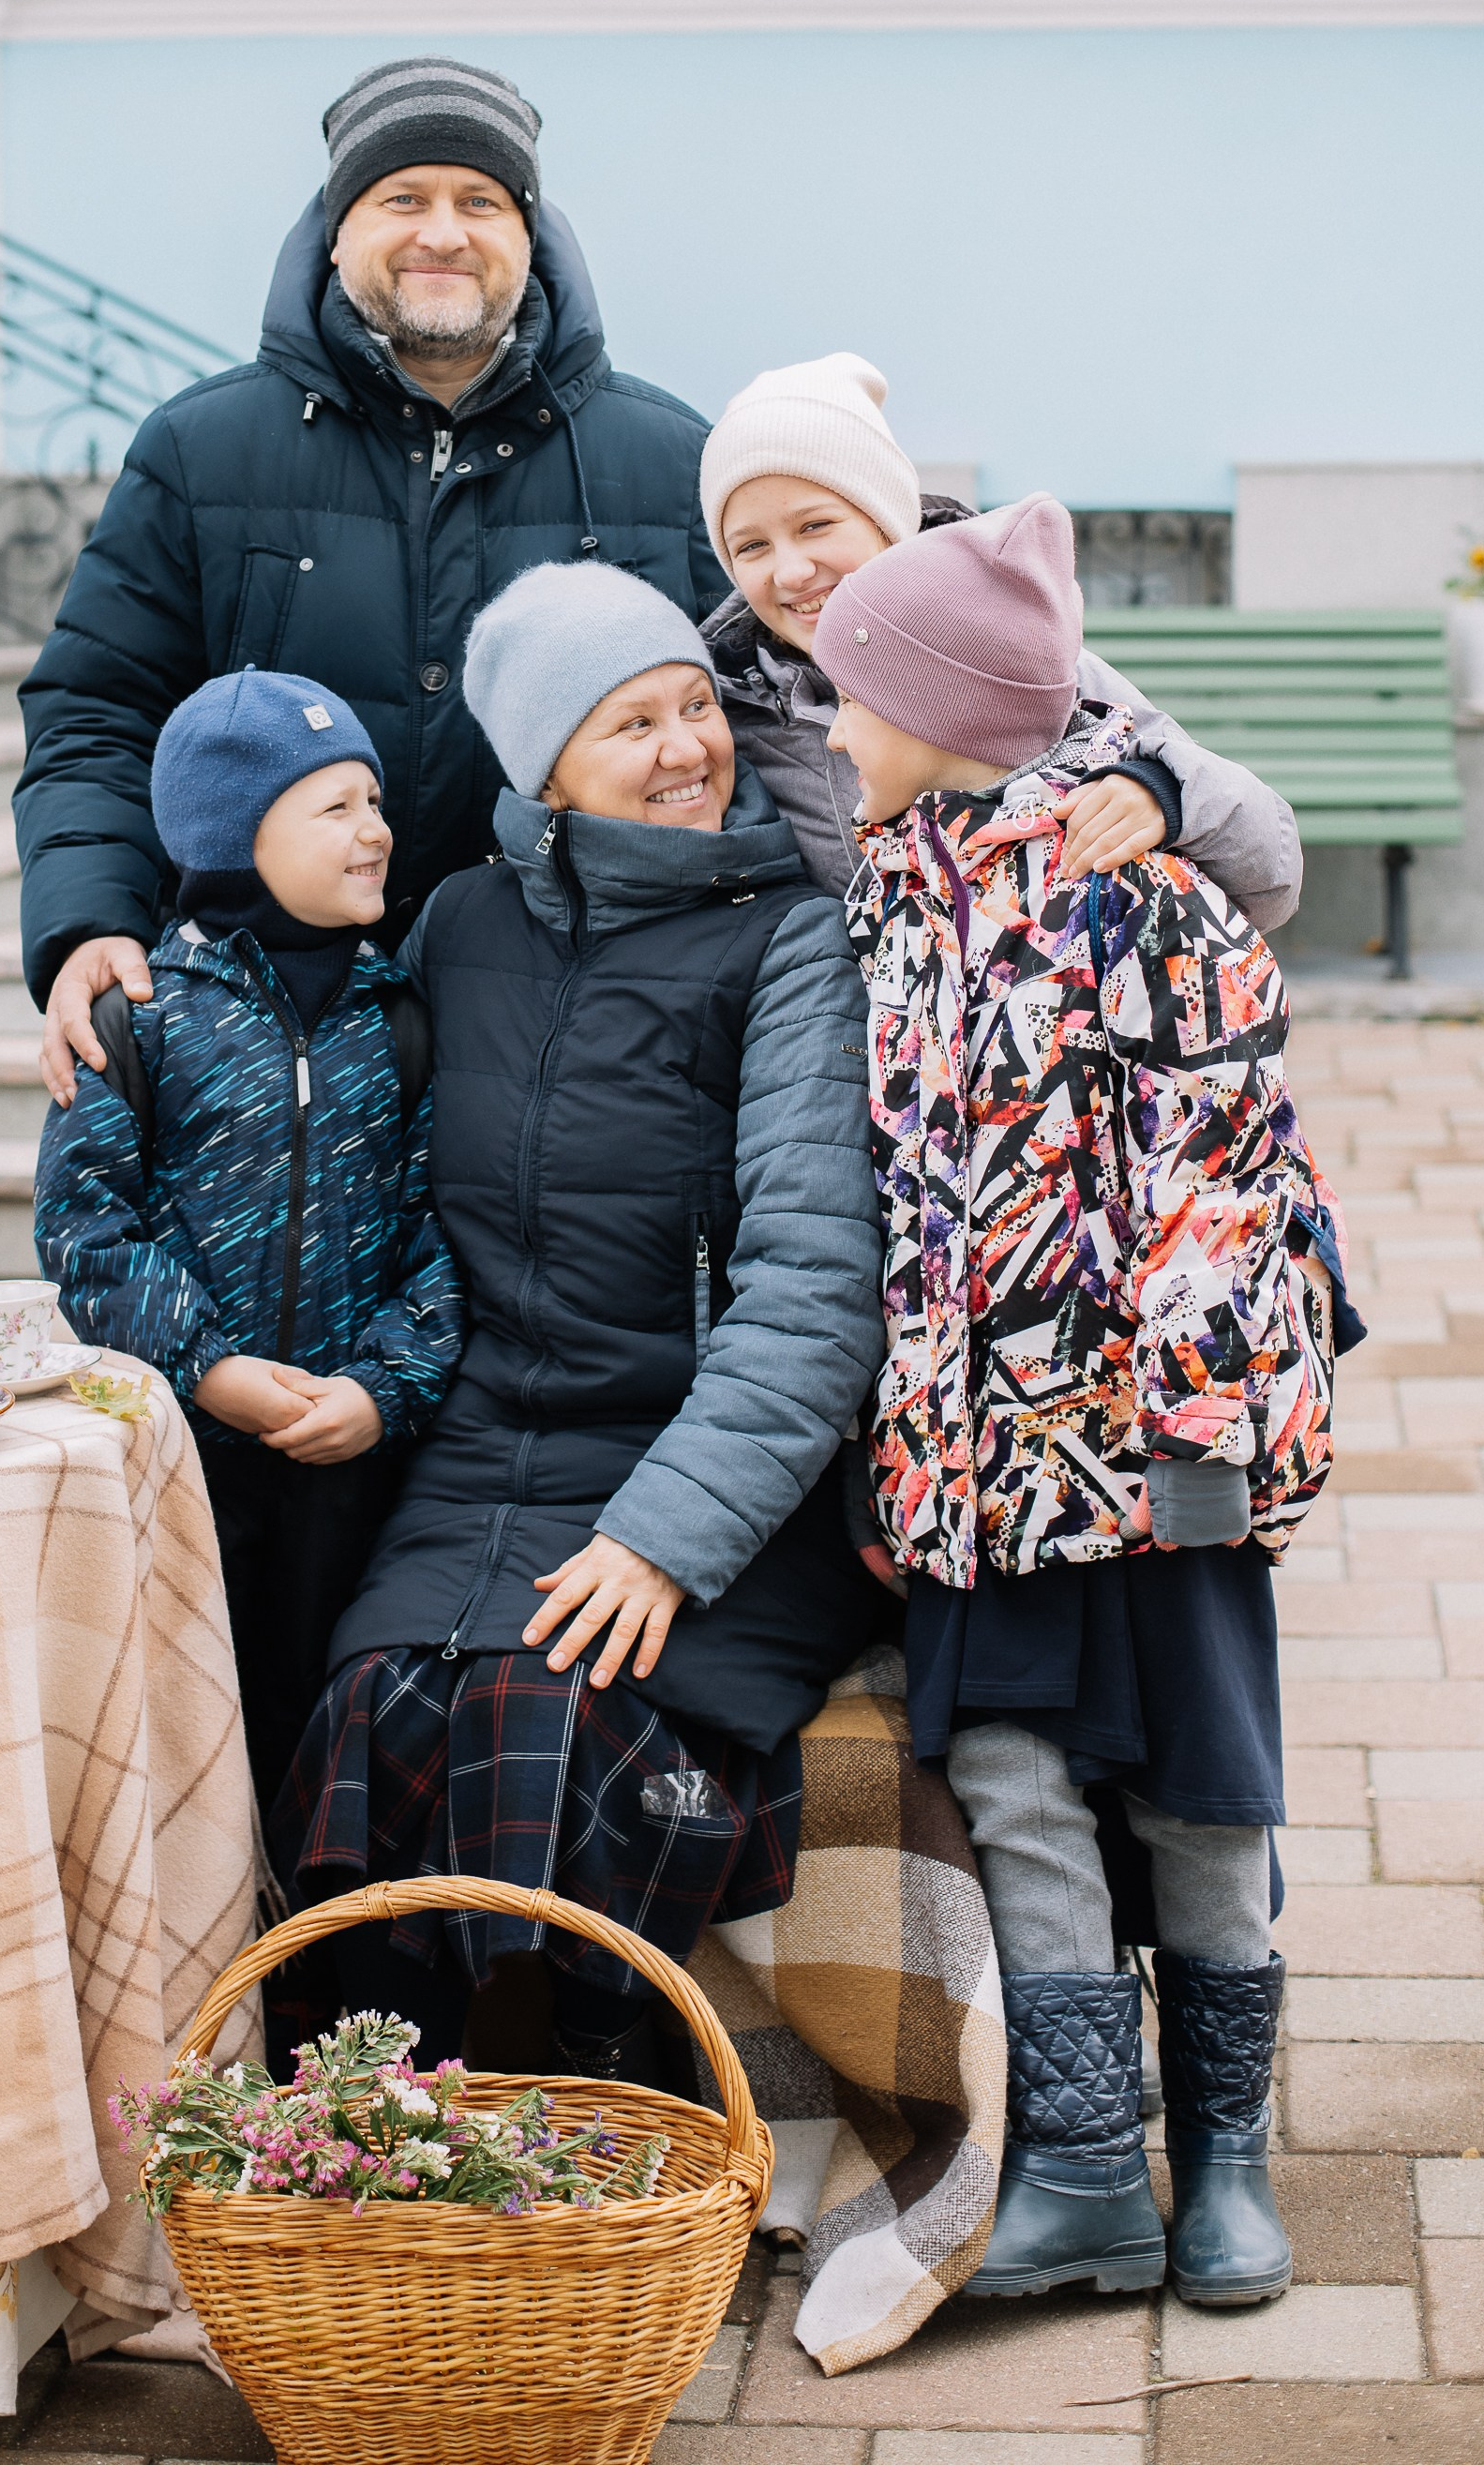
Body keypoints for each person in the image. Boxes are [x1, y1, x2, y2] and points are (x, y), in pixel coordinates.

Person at [813, 497, 1357, 2311]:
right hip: (975, 1471)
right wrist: (902, 1462)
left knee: (1200, 1801)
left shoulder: (1144, 896)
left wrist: (1207, 1447)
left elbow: (1216, 1183)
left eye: (851, 702)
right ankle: (1074, 2175)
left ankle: (1224, 2169)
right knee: (1014, 1782)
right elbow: (895, 1210)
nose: (826, 732)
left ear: (953, 712)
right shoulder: (888, 897)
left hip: (1147, 1464)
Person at [277, 560, 885, 2079]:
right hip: (479, 1462)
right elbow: (343, 1148)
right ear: (542, 765)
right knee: (373, 1717)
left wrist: (668, 1537)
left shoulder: (787, 938)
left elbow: (817, 1288)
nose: (689, 747)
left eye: (698, 706)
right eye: (634, 723)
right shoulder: (460, 928)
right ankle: (366, 2157)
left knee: (555, 1730)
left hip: (720, 1486)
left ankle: (618, 2138)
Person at [18, 53, 722, 1105]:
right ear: (338, 227)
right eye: (404, 197)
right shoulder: (201, 452)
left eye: (480, 200)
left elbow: (755, 730)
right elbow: (99, 712)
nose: (443, 230)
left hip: (582, 1039)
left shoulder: (667, 462)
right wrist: (91, 919)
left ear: (527, 238)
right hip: (259, 1036)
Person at [32, 666, 463, 1835]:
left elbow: (440, 1234)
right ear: (232, 834)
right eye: (335, 808)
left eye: (373, 801)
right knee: (186, 1732)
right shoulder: (141, 1018)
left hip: (350, 1463)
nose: (375, 830)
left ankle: (328, 1988)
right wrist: (209, 1367)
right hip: (182, 1456)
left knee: (327, 1736)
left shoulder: (404, 1016)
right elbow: (86, 1229)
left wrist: (384, 1387)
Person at [697, 351, 1302, 924]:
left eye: (816, 525)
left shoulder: (1010, 662)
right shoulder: (729, 715)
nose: (791, 570)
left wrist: (1165, 797)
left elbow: (1271, 871)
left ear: (887, 520)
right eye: (751, 545)